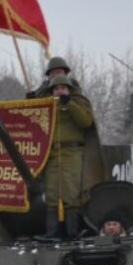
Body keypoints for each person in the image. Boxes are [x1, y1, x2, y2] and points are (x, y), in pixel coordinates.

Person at [39, 75, 103, 239]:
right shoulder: (47, 106)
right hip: (52, 153)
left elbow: (85, 122)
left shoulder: (77, 103)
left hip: (72, 151)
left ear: (69, 90)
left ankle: (72, 231)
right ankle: (52, 232)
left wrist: (70, 104)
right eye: (56, 88)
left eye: (62, 88)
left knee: (71, 193)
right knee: (52, 193)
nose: (59, 91)